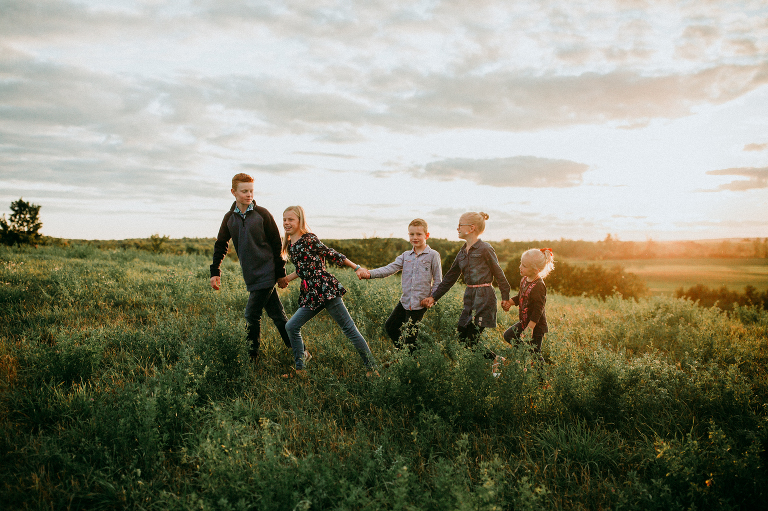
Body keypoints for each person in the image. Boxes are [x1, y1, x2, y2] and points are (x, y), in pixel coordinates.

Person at [280, 205, 379, 377]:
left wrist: (356, 267)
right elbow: (303, 269)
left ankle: (372, 368)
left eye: (291, 219)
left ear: (300, 220)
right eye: (284, 219)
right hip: (310, 293)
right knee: (291, 326)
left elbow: (332, 254)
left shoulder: (309, 238)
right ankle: (300, 369)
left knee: (349, 328)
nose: (287, 223)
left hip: (324, 289)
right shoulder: (290, 244)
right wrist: (286, 279)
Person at [209, 173, 291, 363]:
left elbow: (277, 245)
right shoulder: (229, 218)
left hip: (267, 272)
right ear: (233, 192)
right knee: (278, 316)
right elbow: (221, 245)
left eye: (251, 191)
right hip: (251, 275)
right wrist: (215, 272)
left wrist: (280, 273)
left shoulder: (262, 214)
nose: (249, 194)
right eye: (244, 191)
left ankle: (252, 358)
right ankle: (301, 351)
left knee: (251, 315)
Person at [421, 212, 511, 356]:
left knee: (471, 339)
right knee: (462, 335)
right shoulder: (462, 252)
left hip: (484, 297)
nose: (457, 228)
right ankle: (493, 360)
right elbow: (450, 277)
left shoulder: (485, 249)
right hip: (470, 297)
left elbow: (499, 273)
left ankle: (495, 360)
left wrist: (505, 297)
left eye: (460, 225)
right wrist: (434, 297)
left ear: (471, 228)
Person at [359, 219, 442, 352]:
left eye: (419, 234)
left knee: (410, 338)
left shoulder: (433, 255)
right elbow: (389, 269)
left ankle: (413, 360)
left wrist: (433, 298)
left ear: (427, 235)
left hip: (419, 304)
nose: (415, 237)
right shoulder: (405, 256)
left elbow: (438, 280)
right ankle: (407, 353)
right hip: (404, 302)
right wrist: (370, 274)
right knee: (390, 326)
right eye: (411, 234)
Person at [501, 248, 554, 363]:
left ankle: (542, 379)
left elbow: (538, 309)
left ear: (536, 270)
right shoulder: (524, 279)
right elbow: (521, 296)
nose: (520, 267)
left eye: (524, 266)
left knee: (535, 353)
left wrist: (531, 327)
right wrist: (510, 302)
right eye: (521, 263)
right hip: (524, 322)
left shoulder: (539, 285)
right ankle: (525, 353)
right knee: (509, 336)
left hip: (536, 326)